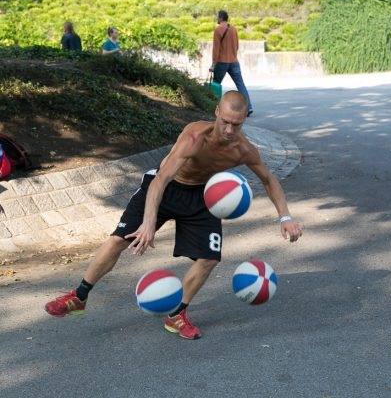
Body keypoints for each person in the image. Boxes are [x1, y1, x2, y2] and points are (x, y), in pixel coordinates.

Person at [44, 91, 302, 340]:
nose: (229, 130)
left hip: (201, 197)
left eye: (236, 124)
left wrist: (285, 217)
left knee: (209, 258)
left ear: (245, 119)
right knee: (118, 240)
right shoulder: (194, 137)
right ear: (216, 112)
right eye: (224, 122)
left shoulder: (244, 149)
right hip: (166, 188)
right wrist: (148, 223)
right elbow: (161, 179)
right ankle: (79, 297)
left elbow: (269, 180)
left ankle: (177, 314)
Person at [210, 10, 254, 117]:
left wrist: (213, 64)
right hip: (234, 61)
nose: (217, 19)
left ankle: (213, 107)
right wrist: (233, 55)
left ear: (220, 18)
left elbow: (216, 49)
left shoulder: (218, 30)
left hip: (221, 62)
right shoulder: (234, 29)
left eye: (217, 17)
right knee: (240, 84)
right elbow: (237, 46)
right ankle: (249, 107)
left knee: (216, 83)